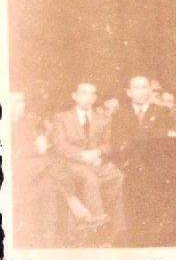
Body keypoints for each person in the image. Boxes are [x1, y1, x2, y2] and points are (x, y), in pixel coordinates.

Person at [12, 91, 108, 246]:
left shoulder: (28, 123)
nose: (22, 105)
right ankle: (74, 203)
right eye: (16, 101)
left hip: (40, 169)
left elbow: (43, 144)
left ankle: (57, 236)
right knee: (55, 166)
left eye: (22, 100)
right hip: (16, 169)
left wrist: (41, 143)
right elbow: (12, 153)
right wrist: (35, 148)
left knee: (50, 181)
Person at [51, 82, 126, 244]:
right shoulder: (62, 117)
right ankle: (97, 224)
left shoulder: (103, 119)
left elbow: (108, 145)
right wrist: (81, 155)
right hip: (70, 164)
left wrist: (97, 152)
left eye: (92, 94)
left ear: (95, 98)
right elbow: (59, 144)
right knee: (91, 179)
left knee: (116, 176)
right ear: (75, 96)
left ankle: (117, 228)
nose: (88, 97)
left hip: (95, 162)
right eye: (83, 93)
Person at [111, 76, 171, 163]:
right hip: (129, 163)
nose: (141, 92)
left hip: (156, 162)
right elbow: (117, 143)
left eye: (144, 87)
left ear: (149, 90)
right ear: (129, 92)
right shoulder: (119, 115)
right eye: (136, 88)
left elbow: (162, 140)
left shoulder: (162, 112)